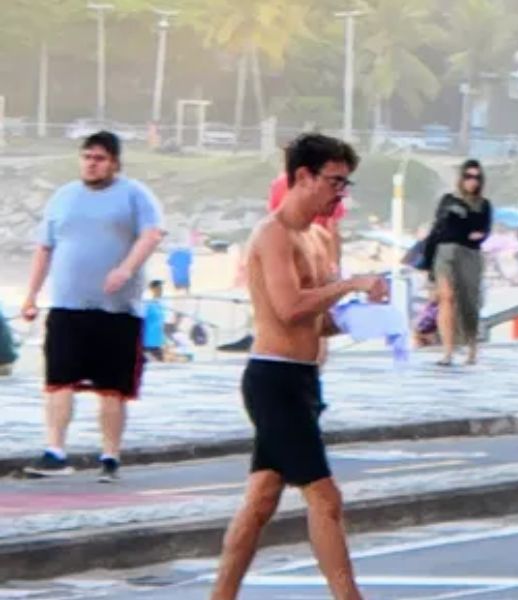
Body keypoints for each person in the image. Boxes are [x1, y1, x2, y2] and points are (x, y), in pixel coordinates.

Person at [210, 133, 383, 600]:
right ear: (303, 177)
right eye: (334, 181)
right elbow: (287, 308)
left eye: (346, 184)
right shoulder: (272, 234)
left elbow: (319, 321)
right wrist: (349, 284)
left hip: (304, 379)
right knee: (325, 499)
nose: (339, 193)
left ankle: (220, 595)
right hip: (273, 378)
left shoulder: (318, 237)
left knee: (262, 500)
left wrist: (372, 318)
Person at [20, 131, 165, 482]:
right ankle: (55, 452)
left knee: (112, 388)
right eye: (87, 157)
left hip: (117, 310)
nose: (91, 163)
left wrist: (126, 268)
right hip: (68, 306)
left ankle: (110, 456)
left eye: (99, 158)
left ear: (114, 162)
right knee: (59, 381)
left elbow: (152, 234)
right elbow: (45, 248)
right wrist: (31, 295)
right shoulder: (63, 197)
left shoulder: (135, 195)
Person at [429, 160, 492, 367]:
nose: (472, 181)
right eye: (468, 176)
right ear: (461, 178)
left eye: (476, 177)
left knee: (468, 302)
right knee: (446, 298)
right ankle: (447, 351)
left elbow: (480, 232)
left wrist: (463, 225)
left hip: (469, 255)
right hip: (444, 252)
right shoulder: (448, 200)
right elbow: (439, 228)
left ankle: (472, 347)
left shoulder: (484, 205)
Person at [144, 280, 168, 362]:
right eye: (158, 288)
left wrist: (164, 340)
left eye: (161, 288)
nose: (161, 290)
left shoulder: (160, 304)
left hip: (157, 342)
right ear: (152, 289)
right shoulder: (147, 303)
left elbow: (161, 324)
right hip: (148, 342)